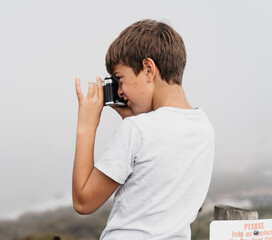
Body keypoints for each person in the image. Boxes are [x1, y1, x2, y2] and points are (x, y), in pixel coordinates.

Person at [72, 19, 214, 240]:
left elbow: (83, 201)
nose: (119, 92)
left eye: (120, 79)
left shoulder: (136, 130)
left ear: (148, 69)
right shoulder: (204, 128)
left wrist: (87, 125)